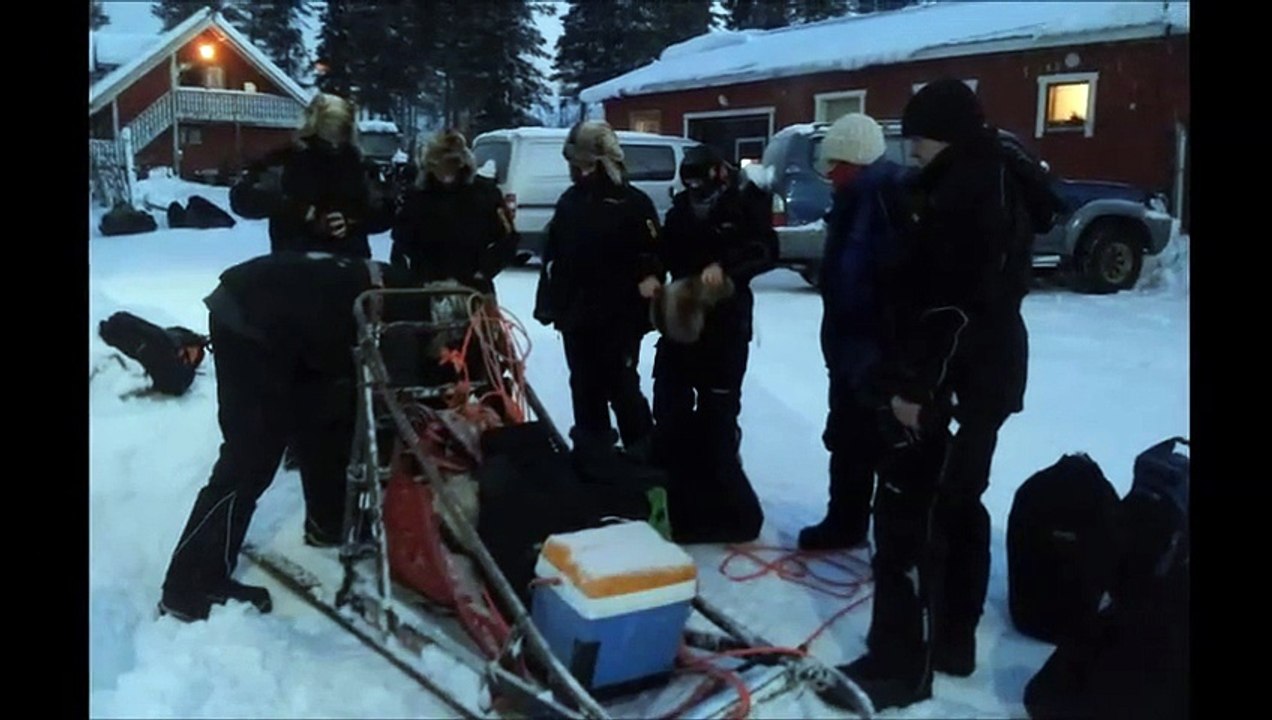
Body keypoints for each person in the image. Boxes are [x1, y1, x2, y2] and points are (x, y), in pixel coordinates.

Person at [822, 78, 1037, 711]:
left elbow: (960, 306)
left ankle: (900, 662)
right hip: (976, 379)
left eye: (917, 147)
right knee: (959, 505)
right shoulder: (979, 175)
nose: (910, 158)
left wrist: (917, 388)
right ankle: (950, 639)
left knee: (907, 516)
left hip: (952, 381)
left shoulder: (974, 194)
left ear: (943, 137)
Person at [157, 252, 417, 622]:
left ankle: (327, 523)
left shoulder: (398, 293)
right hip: (248, 319)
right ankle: (189, 587)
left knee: (325, 417)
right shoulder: (398, 306)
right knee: (250, 455)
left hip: (286, 321)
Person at [650, 144, 777, 543]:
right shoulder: (679, 211)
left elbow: (766, 250)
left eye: (700, 182)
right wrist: (653, 275)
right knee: (669, 405)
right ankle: (678, 495)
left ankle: (726, 500)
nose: (694, 190)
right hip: (681, 319)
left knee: (718, 415)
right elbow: (662, 252)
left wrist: (727, 269)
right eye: (688, 183)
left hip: (726, 324)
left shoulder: (744, 207)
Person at [797, 113, 911, 552]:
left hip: (875, 351)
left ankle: (891, 541)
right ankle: (845, 522)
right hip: (850, 347)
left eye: (834, 166)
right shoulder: (852, 201)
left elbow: (881, 285)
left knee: (881, 445)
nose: (828, 176)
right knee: (847, 439)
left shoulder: (885, 202)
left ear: (856, 161)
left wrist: (880, 354)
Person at [533, 121, 664, 477]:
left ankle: (643, 459)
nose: (577, 172)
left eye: (584, 165)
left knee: (621, 385)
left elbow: (653, 252)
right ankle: (593, 460)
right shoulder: (570, 201)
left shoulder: (633, 203)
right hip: (578, 314)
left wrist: (650, 275)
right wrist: (550, 301)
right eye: (574, 165)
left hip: (619, 315)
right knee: (584, 385)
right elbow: (554, 256)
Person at [229, 92, 394, 259]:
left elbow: (383, 212)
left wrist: (351, 222)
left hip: (348, 266)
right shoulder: (285, 160)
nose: (334, 142)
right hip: (297, 264)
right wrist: (300, 210)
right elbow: (243, 200)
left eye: (339, 133)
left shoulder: (360, 164)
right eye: (329, 132)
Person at [390, 129, 519, 295]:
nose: (445, 172)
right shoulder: (416, 197)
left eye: (451, 164)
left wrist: (483, 271)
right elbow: (401, 243)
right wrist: (410, 280)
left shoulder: (485, 193)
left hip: (473, 288)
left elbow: (509, 238)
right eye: (438, 165)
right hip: (425, 288)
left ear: (462, 163)